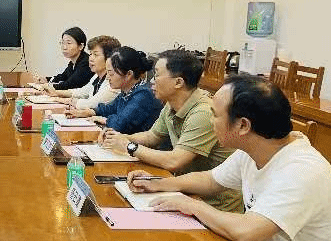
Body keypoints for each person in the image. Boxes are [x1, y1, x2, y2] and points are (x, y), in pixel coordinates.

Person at [128, 76, 331, 241]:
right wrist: (160, 184)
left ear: (243, 125)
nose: (210, 121)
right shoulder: (257, 149)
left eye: (215, 115)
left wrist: (192, 206)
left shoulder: (301, 169)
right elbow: (211, 180)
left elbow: (248, 232)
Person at [102, 50, 242, 213]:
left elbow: (175, 161)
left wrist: (129, 146)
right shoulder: (171, 104)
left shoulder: (203, 112)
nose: (152, 81)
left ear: (178, 82)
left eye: (157, 75)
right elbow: (152, 136)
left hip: (213, 207)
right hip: (184, 193)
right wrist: (119, 138)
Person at [88, 47, 162, 133]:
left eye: (111, 73)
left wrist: (105, 120)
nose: (107, 77)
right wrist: (90, 112)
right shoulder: (127, 91)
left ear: (129, 74)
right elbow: (109, 108)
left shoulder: (144, 94)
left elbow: (121, 124)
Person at [43, 35, 121, 113]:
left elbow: (92, 104)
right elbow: (81, 92)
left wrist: (62, 99)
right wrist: (56, 93)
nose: (91, 58)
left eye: (96, 55)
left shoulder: (113, 81)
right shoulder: (96, 76)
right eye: (90, 54)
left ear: (109, 58)